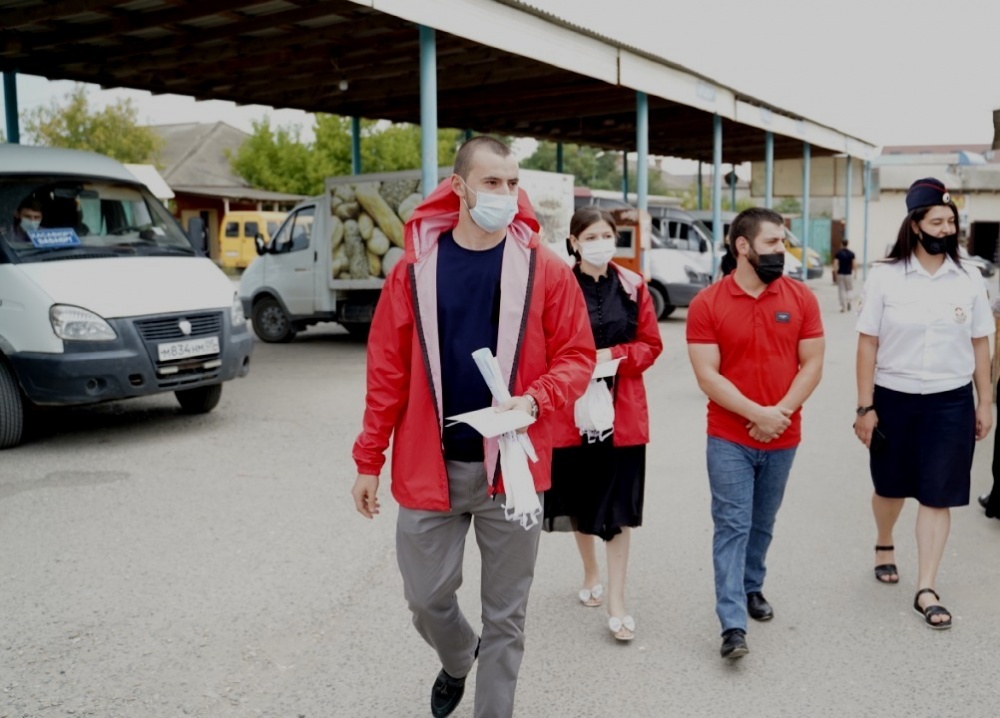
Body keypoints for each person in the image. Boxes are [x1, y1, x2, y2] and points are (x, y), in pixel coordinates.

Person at [351, 136, 595, 718]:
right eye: (492, 182)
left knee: (506, 617)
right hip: (429, 467)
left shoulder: (544, 268)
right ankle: (459, 655)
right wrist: (368, 460)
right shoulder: (414, 270)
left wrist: (536, 399)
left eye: (512, 183)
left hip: (512, 471)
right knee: (425, 599)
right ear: (459, 187)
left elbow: (577, 355)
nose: (505, 194)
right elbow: (386, 371)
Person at [853, 178, 993, 629]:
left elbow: (980, 343)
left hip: (950, 402)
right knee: (890, 487)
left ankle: (926, 587)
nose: (946, 229)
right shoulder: (886, 276)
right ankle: (884, 539)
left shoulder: (969, 277)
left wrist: (985, 402)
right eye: (937, 222)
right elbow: (868, 343)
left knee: (938, 494)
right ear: (915, 225)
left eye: (951, 221)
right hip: (894, 397)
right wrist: (865, 407)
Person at [686, 207, 824, 660]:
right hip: (729, 436)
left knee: (762, 523)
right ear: (742, 246)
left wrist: (778, 414)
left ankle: (751, 586)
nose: (781, 251)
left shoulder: (801, 298)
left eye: (783, 242)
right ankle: (732, 625)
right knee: (732, 524)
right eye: (772, 243)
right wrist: (755, 414)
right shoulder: (707, 303)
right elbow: (707, 375)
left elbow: (813, 364)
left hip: (783, 433)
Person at [542, 208, 663, 642]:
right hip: (569, 413)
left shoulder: (633, 286)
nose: (599, 243)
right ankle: (590, 570)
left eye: (606, 235)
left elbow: (651, 345)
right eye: (590, 236)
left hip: (621, 413)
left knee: (619, 508)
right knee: (580, 499)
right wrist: (575, 364)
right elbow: (540, 345)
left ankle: (616, 599)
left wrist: (612, 357)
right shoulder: (555, 285)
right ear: (574, 242)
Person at [834, 239, 856, 312]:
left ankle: (844, 307)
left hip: (840, 274)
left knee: (841, 290)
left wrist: (835, 274)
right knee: (849, 289)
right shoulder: (851, 254)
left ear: (841, 244)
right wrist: (855, 273)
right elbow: (854, 264)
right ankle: (849, 301)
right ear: (847, 244)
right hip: (849, 274)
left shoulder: (838, 254)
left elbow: (835, 264)